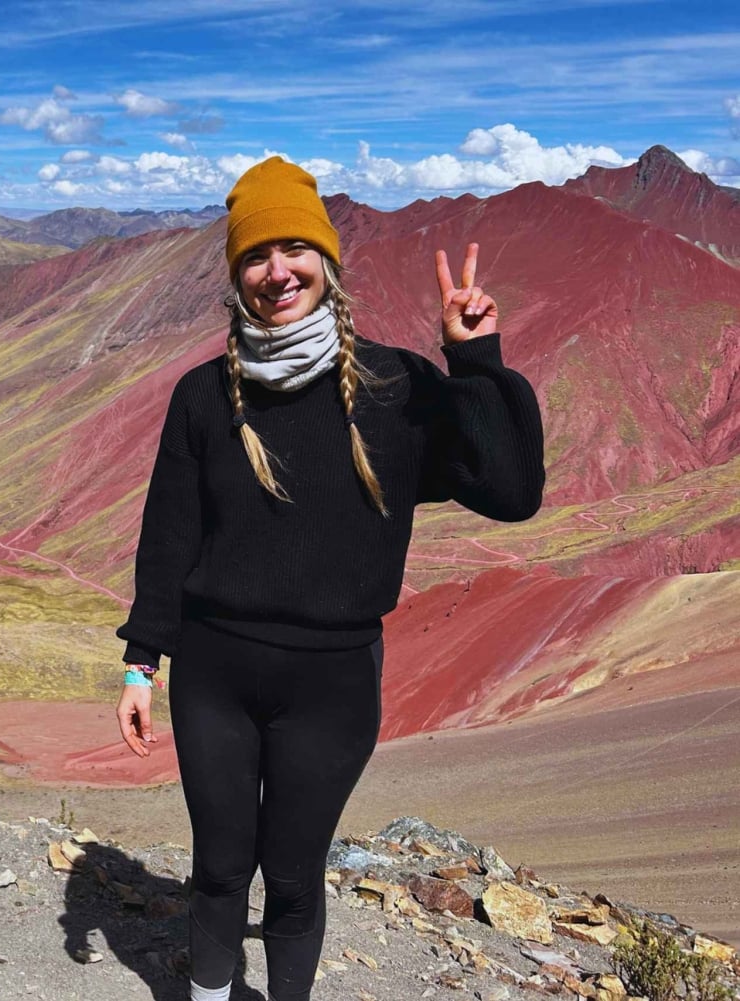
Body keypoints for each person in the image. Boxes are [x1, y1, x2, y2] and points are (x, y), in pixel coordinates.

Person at [113, 157, 545, 1001]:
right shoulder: (204, 396)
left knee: (298, 879)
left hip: (335, 682)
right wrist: (140, 662)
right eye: (256, 255)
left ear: (327, 262)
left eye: (295, 249)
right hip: (213, 675)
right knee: (218, 867)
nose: (278, 271)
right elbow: (168, 535)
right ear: (236, 275)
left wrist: (475, 357)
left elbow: (511, 490)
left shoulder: (394, 388)